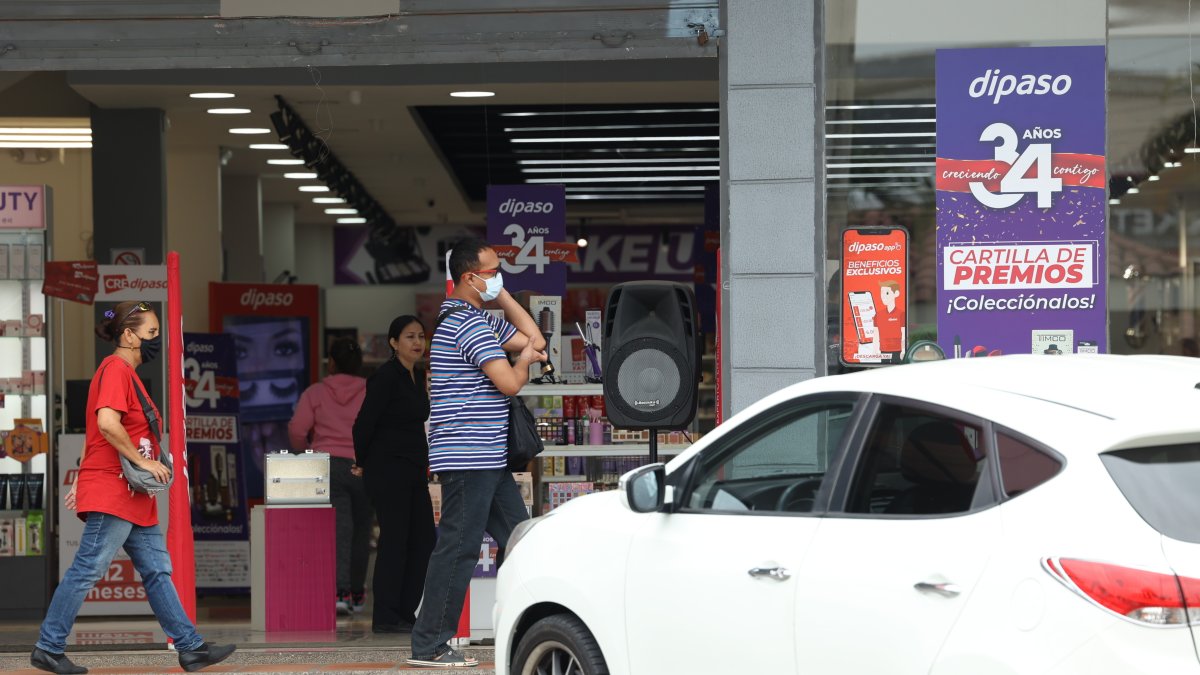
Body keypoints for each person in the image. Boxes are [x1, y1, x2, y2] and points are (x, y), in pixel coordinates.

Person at [32, 301, 236, 675]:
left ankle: (190, 648)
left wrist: (84, 475)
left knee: (157, 570)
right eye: (152, 333)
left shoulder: (125, 373)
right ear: (128, 335)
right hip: (116, 492)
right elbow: (108, 424)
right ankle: (48, 646)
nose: (155, 341)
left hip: (128, 494)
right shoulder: (116, 369)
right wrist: (143, 462)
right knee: (88, 570)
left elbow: (98, 435)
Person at [406, 238, 547, 669]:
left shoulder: (476, 318)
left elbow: (535, 336)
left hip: (485, 456)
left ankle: (531, 626)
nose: (499, 276)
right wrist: (524, 361)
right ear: (469, 278)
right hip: (469, 456)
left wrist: (501, 295)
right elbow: (509, 382)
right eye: (493, 272)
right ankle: (430, 644)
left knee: (521, 540)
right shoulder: (465, 323)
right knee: (459, 547)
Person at [352, 316, 435, 634]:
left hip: (412, 468)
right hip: (388, 469)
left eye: (421, 336)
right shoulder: (385, 376)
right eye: (409, 336)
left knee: (424, 539)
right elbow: (363, 423)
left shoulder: (416, 374)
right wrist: (363, 462)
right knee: (395, 541)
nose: (417, 342)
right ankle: (386, 615)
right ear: (393, 342)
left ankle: (404, 610)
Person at [287, 337, 369, 616]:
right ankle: (358, 595)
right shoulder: (370, 390)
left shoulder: (315, 392)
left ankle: (339, 593)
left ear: (331, 362)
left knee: (338, 531)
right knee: (362, 532)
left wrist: (304, 452)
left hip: (327, 465)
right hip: (362, 465)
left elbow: (298, 429)